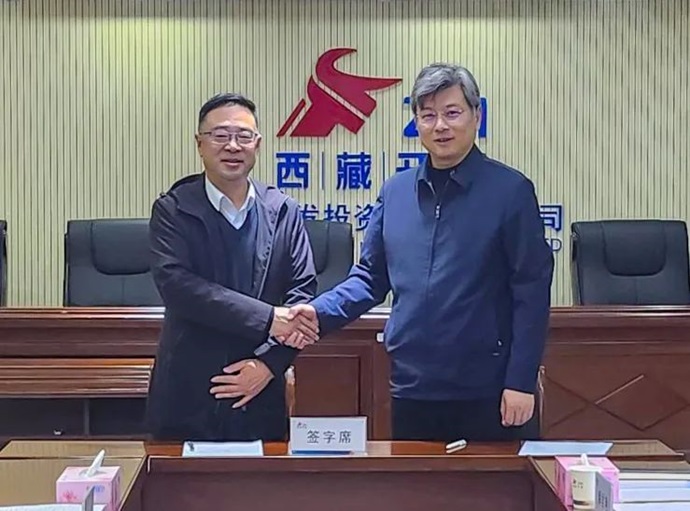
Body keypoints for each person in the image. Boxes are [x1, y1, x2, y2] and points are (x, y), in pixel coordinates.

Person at [283, 63, 554, 442]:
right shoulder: (396, 192)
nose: (440, 125)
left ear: (476, 116)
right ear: (416, 123)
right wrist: (318, 311)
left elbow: (531, 292)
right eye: (427, 115)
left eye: (452, 113)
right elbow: (370, 278)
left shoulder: (510, 192)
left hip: (489, 390)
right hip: (412, 387)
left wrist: (521, 381)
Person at [146, 93, 319, 442]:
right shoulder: (173, 209)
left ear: (258, 144)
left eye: (243, 136)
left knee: (261, 477)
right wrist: (268, 318)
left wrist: (270, 365)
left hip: (261, 387)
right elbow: (178, 287)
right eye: (220, 135)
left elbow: (302, 296)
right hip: (189, 387)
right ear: (199, 144)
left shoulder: (283, 211)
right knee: (180, 478)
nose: (233, 146)